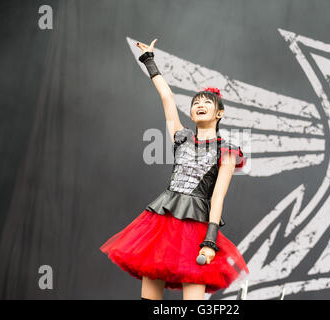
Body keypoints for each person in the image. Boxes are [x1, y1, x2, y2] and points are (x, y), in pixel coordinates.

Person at [100, 38, 249, 300]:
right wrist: (149, 60)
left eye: (206, 103)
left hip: (197, 228)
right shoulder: (181, 136)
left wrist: (210, 241)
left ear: (220, 114)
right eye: (195, 103)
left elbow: (217, 197)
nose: (199, 105)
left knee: (194, 293)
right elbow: (167, 97)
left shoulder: (227, 151)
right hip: (162, 224)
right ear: (191, 113)